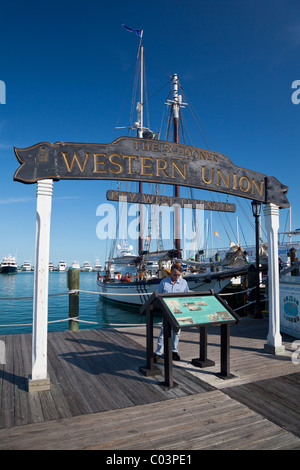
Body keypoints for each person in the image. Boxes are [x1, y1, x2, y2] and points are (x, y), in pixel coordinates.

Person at [154, 263, 189, 362]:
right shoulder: (164, 282)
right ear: (171, 273)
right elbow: (158, 295)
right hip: (167, 310)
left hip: (178, 311)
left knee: (177, 331)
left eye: (178, 275)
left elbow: (186, 296)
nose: (177, 277)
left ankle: (174, 350)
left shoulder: (184, 283)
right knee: (163, 331)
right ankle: (158, 352)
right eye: (175, 275)